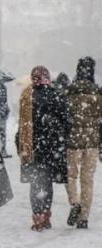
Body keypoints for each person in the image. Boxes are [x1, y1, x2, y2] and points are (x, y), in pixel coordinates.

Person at [17, 66, 68, 231]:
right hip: (51, 147)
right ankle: (45, 215)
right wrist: (58, 134)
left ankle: (38, 216)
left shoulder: (27, 96)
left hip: (33, 147)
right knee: (46, 183)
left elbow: (22, 124)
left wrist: (20, 141)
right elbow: (67, 122)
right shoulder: (56, 95)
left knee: (36, 183)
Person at [65, 57, 102, 229]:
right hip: (92, 142)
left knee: (71, 176)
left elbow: (65, 117)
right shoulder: (98, 93)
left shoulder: (70, 92)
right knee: (88, 180)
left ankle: (75, 202)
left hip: (73, 141)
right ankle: (84, 217)